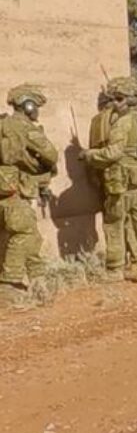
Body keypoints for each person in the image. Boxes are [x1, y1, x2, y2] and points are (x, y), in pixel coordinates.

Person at [82, 77, 137, 285]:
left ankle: (115, 269)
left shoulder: (122, 123)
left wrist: (89, 155)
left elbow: (113, 153)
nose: (115, 103)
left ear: (129, 100)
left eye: (119, 99)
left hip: (123, 180)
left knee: (114, 223)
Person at [0, 85, 58, 296]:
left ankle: (37, 279)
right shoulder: (25, 128)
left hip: (6, 189)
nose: (37, 111)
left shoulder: (3, 124)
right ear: (28, 105)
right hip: (15, 190)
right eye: (35, 106)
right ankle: (9, 284)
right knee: (24, 232)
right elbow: (51, 154)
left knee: (30, 234)